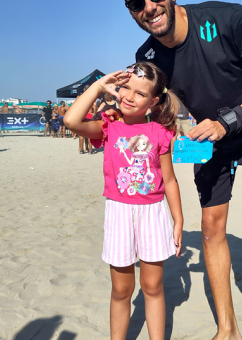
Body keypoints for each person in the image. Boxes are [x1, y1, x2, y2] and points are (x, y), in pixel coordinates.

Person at [115, 0, 242, 339]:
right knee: (210, 229)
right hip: (208, 143)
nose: (149, 7)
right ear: (130, 11)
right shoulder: (148, 58)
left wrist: (229, 121)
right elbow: (160, 110)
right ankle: (227, 330)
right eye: (136, 3)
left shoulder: (230, 20)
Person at [64, 62, 183, 339]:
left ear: (153, 101)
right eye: (125, 88)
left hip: (153, 213)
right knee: (121, 290)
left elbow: (170, 180)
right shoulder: (109, 126)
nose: (129, 96)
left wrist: (178, 220)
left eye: (140, 94)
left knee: (153, 287)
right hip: (118, 213)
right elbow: (71, 121)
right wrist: (98, 86)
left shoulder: (160, 132)